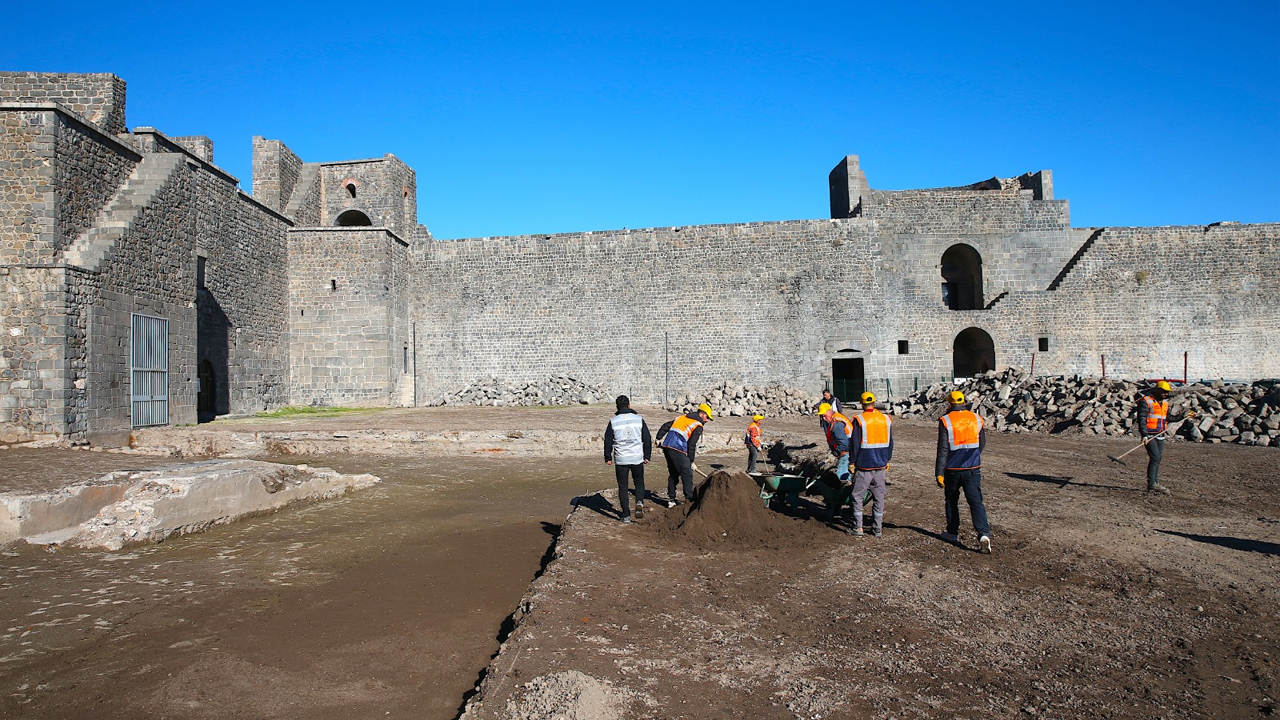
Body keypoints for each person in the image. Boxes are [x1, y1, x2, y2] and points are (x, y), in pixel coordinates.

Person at [935, 390, 992, 554]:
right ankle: (983, 533)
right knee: (976, 502)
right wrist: (972, 456)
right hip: (972, 468)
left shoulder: (946, 421)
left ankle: (952, 532)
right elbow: (982, 443)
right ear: (964, 402)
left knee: (951, 500)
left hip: (953, 469)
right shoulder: (976, 418)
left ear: (949, 404)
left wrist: (939, 472)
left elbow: (943, 449)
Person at [848, 392, 893, 537]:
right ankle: (877, 528)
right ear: (874, 403)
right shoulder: (885, 419)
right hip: (881, 465)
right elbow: (890, 442)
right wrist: (887, 459)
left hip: (864, 465)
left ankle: (858, 527)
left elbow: (854, 444)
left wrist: (852, 462)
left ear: (862, 404)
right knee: (879, 497)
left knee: (857, 496)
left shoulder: (860, 420)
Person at [604, 395, 652, 523]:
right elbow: (647, 438)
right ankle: (639, 501)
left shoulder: (613, 421)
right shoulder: (639, 419)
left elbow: (608, 440)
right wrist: (647, 456)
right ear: (629, 405)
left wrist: (608, 457)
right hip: (637, 457)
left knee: (623, 486)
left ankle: (625, 515)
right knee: (639, 482)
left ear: (617, 407)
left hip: (621, 459)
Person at [658, 403, 713, 507]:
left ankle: (671, 500)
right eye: (707, 417)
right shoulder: (698, 425)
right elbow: (691, 444)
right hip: (677, 448)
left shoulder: (682, 418)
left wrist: (658, 438)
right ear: (701, 414)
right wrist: (691, 461)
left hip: (667, 446)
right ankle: (689, 499)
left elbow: (666, 426)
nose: (707, 420)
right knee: (687, 472)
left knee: (674, 472)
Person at [1137, 380, 1179, 494]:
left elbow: (1168, 417)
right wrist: (1144, 434)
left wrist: (1183, 416)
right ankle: (1152, 483)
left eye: (1167, 392)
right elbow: (1141, 419)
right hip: (1149, 435)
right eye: (1164, 392)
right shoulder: (1146, 401)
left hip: (1160, 434)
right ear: (1157, 390)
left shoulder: (1165, 403)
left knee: (1158, 459)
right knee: (1155, 457)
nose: (1166, 394)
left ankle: (1153, 483)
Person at [818, 402, 854, 485]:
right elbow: (836, 439)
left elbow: (843, 443)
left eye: (824, 415)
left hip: (847, 451)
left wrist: (836, 452)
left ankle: (843, 491)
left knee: (840, 476)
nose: (823, 418)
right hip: (846, 450)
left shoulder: (837, 424)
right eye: (822, 416)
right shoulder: (834, 420)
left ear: (830, 411)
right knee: (843, 474)